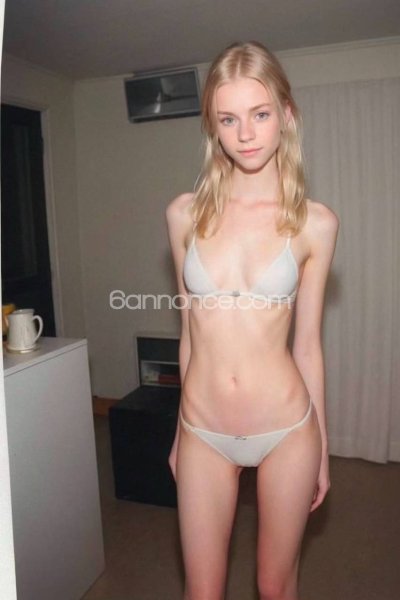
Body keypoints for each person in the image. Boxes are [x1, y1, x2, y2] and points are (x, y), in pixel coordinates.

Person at [165, 40, 339, 600]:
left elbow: (307, 345)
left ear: (286, 114)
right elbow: (189, 335)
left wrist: (321, 446)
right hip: (202, 429)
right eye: (229, 119)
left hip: (287, 429)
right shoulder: (183, 215)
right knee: (202, 591)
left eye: (260, 114)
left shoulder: (315, 224)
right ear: (213, 127)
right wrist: (179, 432)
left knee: (273, 586)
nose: (245, 134)